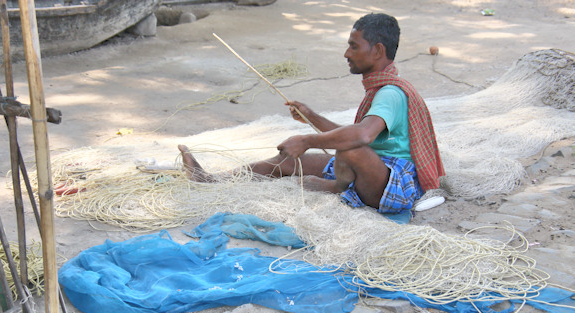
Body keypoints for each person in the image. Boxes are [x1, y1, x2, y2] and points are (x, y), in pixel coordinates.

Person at [178, 13, 444, 214]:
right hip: (373, 168)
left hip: (395, 185)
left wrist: (306, 140)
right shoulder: (383, 88)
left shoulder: (389, 93)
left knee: (349, 146)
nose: (346, 54)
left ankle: (335, 187)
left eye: (353, 46)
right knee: (287, 162)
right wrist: (311, 116)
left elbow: (361, 136)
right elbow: (358, 136)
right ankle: (210, 179)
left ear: (377, 50)